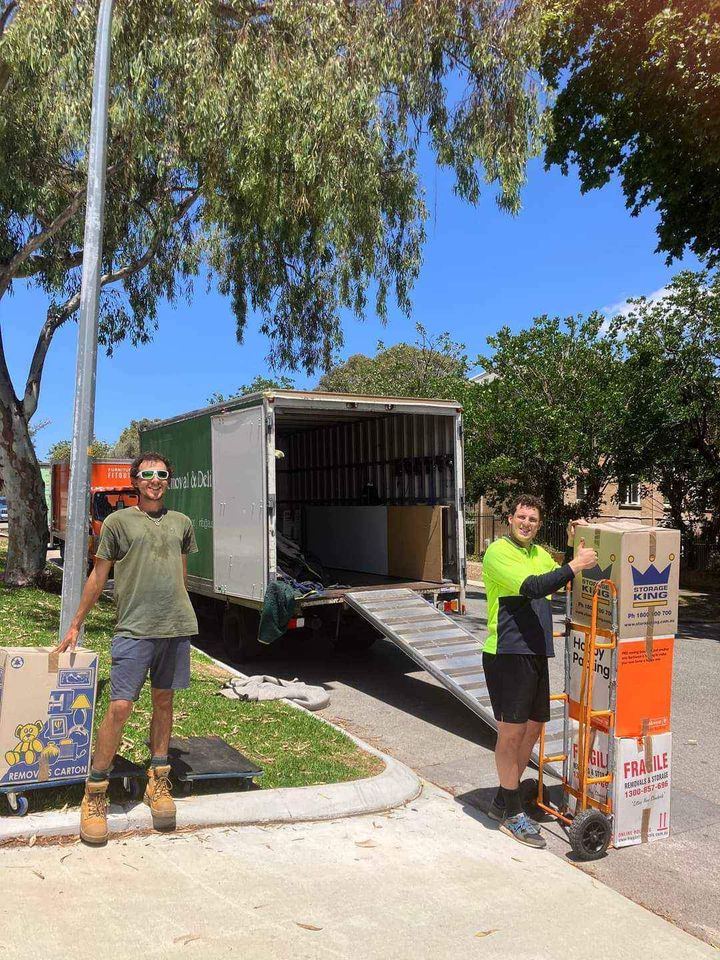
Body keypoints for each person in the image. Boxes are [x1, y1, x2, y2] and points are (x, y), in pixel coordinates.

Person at [55, 452, 198, 845]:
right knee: (120, 706)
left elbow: (180, 577)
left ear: (169, 481)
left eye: (162, 474)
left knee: (164, 701)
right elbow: (98, 575)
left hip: (174, 629)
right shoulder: (118, 523)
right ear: (135, 481)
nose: (155, 479)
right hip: (133, 630)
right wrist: (75, 623)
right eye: (147, 474)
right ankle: (95, 790)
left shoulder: (182, 524)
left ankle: (158, 779)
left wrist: (182, 620)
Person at [481, 494, 597, 849]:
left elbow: (555, 575)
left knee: (533, 728)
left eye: (533, 519)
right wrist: (575, 564)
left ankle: (504, 798)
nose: (526, 523)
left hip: (534, 653)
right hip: (508, 652)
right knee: (511, 734)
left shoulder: (537, 554)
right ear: (510, 519)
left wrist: (569, 544)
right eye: (521, 517)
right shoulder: (498, 552)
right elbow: (534, 586)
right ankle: (512, 814)